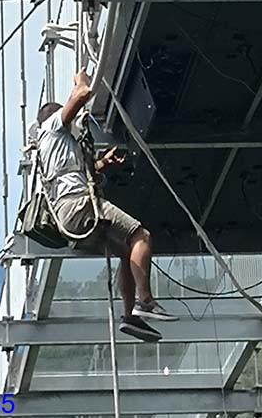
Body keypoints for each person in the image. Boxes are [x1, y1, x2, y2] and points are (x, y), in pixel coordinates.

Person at [36, 69, 177, 342]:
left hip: (69, 217)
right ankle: (145, 300)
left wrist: (101, 165)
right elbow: (83, 94)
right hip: (79, 205)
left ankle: (130, 317)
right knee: (141, 236)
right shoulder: (53, 127)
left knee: (126, 253)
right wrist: (80, 80)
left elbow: (74, 173)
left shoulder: (52, 147)